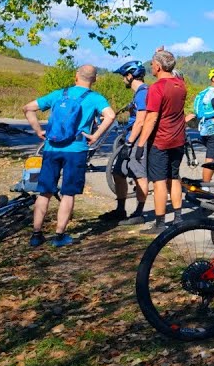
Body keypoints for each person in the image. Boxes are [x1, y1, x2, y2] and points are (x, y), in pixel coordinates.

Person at [22, 65, 115, 246]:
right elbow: (110, 116)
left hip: (52, 147)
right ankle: (59, 236)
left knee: (45, 192)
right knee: (68, 193)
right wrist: (95, 136)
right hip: (76, 150)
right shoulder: (95, 98)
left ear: (75, 76)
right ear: (94, 79)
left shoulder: (58, 94)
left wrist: (38, 130)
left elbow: (28, 108)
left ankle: (36, 234)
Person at [135, 49, 187, 231]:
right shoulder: (180, 84)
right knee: (174, 178)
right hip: (178, 139)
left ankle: (159, 223)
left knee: (159, 181)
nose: (151, 66)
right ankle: (178, 217)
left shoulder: (156, 88)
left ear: (157, 66)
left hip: (160, 141)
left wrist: (141, 143)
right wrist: (161, 53)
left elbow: (151, 118)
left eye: (152, 64)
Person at [103, 61, 149, 223]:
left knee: (139, 175)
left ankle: (139, 213)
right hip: (131, 136)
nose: (123, 80)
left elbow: (141, 121)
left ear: (130, 76)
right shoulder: (139, 94)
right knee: (118, 172)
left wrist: (129, 143)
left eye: (124, 76)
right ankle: (120, 210)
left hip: (137, 139)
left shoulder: (143, 92)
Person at [189, 67, 214, 183]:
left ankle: (207, 183)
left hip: (204, 128)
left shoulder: (205, 92)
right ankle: (206, 185)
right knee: (212, 158)